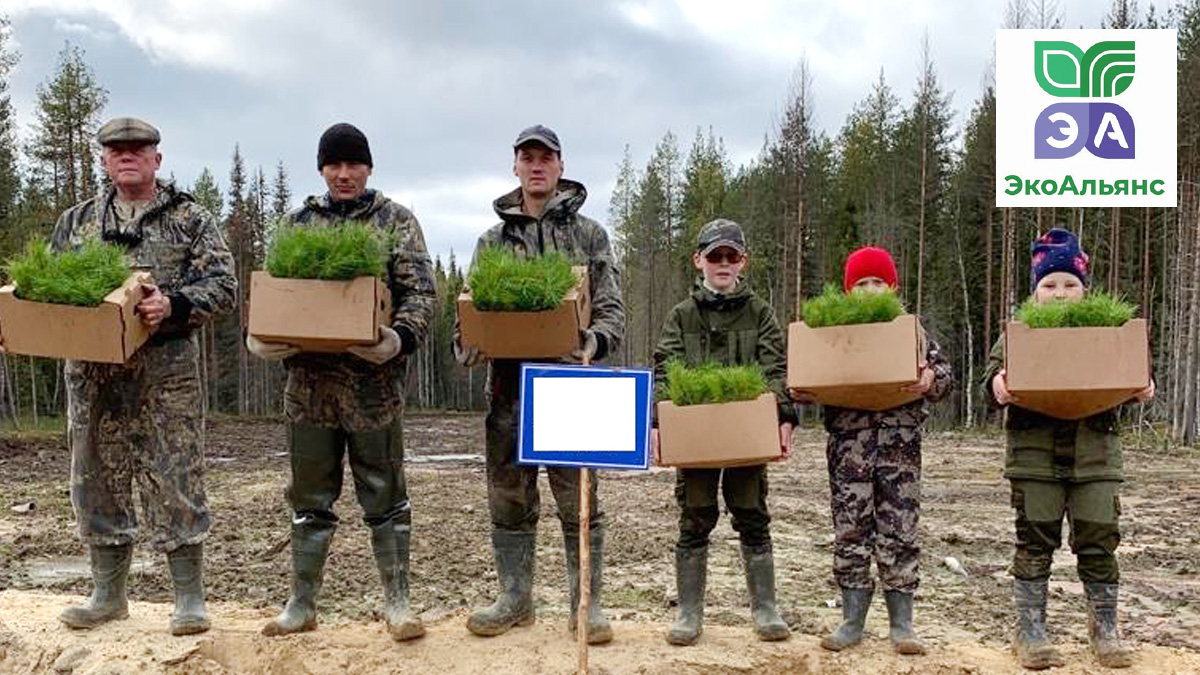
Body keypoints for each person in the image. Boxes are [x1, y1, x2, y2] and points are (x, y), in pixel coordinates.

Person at [0, 117, 238, 635]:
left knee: (175, 476)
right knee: (94, 479)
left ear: (157, 158)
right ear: (105, 161)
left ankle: (188, 599)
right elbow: (45, 292)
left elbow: (224, 285)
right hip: (92, 376)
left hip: (165, 374)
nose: (127, 156)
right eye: (116, 150)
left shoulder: (189, 219)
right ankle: (108, 595)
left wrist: (173, 305)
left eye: (139, 149)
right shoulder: (77, 222)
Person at [248, 123, 436, 641]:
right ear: (322, 169)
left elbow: (422, 295)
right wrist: (261, 335)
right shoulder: (299, 224)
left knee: (386, 495)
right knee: (309, 497)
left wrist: (397, 339)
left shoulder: (396, 221)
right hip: (308, 390)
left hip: (374, 391)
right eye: (334, 164)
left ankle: (398, 604)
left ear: (369, 167)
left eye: (354, 164)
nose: (344, 174)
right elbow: (276, 294)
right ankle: (302, 604)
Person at [456, 125, 624, 644]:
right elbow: (465, 317)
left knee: (580, 499)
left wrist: (593, 342)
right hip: (507, 390)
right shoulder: (492, 241)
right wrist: (470, 345)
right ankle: (515, 599)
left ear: (559, 165)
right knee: (508, 498)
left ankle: (585, 606)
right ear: (515, 166)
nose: (536, 166)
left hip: (570, 385)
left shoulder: (589, 235)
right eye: (526, 157)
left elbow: (612, 310)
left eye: (545, 158)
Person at [984, 228, 1153, 670]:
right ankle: (1031, 631)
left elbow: (1136, 374)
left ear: (1085, 288)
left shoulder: (1107, 329)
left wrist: (1143, 387)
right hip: (1034, 457)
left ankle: (1105, 630)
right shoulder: (1018, 334)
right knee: (1035, 541)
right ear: (1035, 290)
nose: (1060, 294)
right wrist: (997, 386)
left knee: (1099, 541)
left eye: (1070, 284)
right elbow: (989, 379)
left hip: (1095, 457)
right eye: (1049, 285)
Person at [650, 218, 796, 646]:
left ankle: (765, 610)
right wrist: (658, 422)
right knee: (695, 517)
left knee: (752, 514)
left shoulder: (761, 313)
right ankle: (689, 614)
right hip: (697, 440)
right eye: (715, 255)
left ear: (743, 262)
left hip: (745, 439)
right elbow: (663, 372)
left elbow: (776, 370)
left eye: (732, 256)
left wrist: (784, 415)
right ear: (699, 261)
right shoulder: (681, 316)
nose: (723, 263)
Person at [805, 246, 952, 655]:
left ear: (893, 287)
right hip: (849, 452)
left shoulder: (912, 331)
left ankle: (902, 624)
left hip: (899, 452)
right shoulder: (835, 332)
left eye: (878, 283)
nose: (870, 290)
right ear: (848, 291)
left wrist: (928, 379)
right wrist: (803, 386)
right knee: (850, 532)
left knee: (900, 531)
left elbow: (944, 378)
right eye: (861, 284)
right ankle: (852, 620)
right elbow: (807, 376)